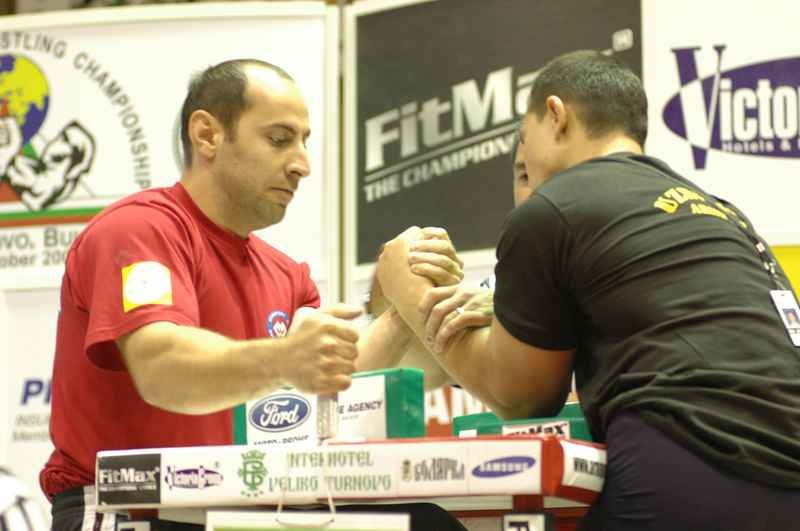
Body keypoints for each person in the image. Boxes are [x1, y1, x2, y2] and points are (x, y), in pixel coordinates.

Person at [376, 50, 800, 530]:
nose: (527, 174)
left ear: (556, 116)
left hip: (689, 468)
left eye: (524, 143)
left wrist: (404, 287)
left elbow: (520, 397)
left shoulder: (555, 207)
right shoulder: (723, 214)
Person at [41, 59, 466, 531]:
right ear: (207, 135)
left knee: (426, 524)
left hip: (240, 511)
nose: (302, 164)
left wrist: (407, 303)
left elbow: (340, 376)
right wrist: (284, 360)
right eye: (280, 140)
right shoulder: (138, 229)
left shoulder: (286, 273)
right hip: (131, 510)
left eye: (305, 142)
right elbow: (161, 369)